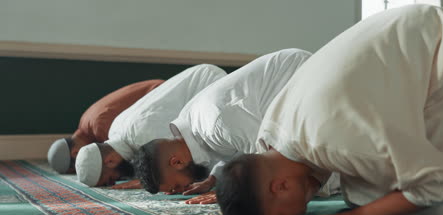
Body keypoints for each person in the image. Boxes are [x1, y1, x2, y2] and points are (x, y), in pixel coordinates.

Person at [216, 5, 443, 215]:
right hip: (401, 39)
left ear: (281, 186)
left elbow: (441, 179)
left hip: (439, 48)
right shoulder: (273, 136)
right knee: (365, 196)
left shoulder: (337, 139)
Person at [133, 49, 313, 203]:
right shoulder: (194, 125)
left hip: (301, 76)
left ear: (176, 162)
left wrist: (234, 193)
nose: (183, 188)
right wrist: (214, 178)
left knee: (294, 181)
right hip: (291, 84)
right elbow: (234, 146)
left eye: (177, 186)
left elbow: (265, 158)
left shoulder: (214, 123)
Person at [74, 64, 227, 187]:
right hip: (202, 75)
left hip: (210, 85)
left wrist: (153, 179)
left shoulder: (143, 136)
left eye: (109, 179)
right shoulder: (116, 130)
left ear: (110, 161)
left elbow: (185, 156)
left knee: (212, 160)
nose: (116, 180)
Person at [47, 79, 164, 174]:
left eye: (77, 168)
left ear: (76, 153)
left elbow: (133, 155)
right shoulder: (85, 121)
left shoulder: (101, 128)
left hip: (160, 94)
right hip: (158, 88)